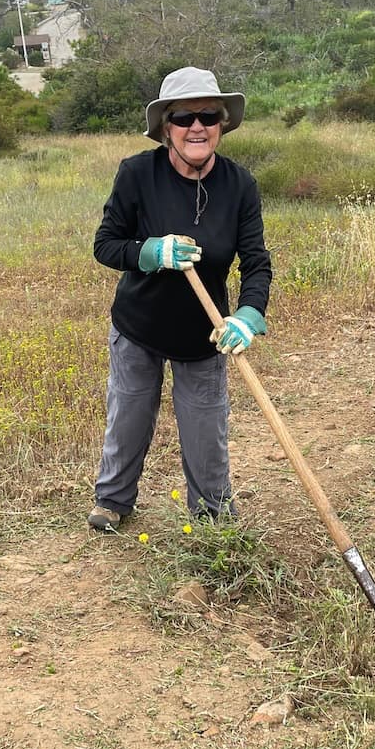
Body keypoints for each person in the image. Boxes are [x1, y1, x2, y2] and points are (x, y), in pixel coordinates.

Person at [87, 66, 272, 531]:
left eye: (208, 116)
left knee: (206, 431)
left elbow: (256, 262)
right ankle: (113, 501)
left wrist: (248, 314)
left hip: (204, 335)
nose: (197, 127)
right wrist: (149, 252)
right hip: (139, 327)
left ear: (222, 124)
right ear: (166, 128)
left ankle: (212, 515)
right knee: (128, 417)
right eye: (185, 117)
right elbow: (106, 245)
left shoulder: (240, 185)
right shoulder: (136, 175)